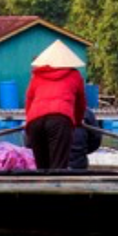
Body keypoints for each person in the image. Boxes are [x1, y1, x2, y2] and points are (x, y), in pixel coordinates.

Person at [23, 40, 87, 170]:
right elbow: (80, 104)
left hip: (35, 121)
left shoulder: (37, 75)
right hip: (60, 119)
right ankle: (56, 188)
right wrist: (78, 122)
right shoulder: (74, 75)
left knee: (41, 167)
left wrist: (28, 123)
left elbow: (29, 101)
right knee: (58, 167)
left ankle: (41, 188)